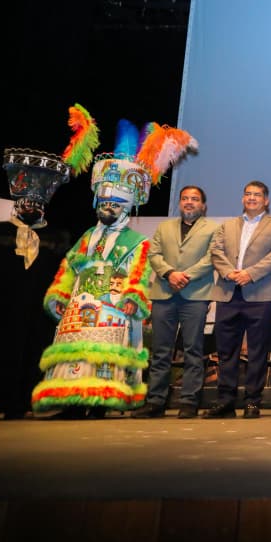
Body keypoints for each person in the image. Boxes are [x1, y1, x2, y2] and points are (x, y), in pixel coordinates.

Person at [33, 116, 197, 418]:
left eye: (115, 205)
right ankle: (71, 399)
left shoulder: (137, 241)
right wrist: (59, 293)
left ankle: (100, 401)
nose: (108, 208)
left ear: (126, 207)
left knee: (104, 357)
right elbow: (68, 267)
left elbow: (140, 273)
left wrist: (134, 296)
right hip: (80, 304)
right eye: (104, 204)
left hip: (114, 305)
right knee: (75, 353)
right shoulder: (86, 236)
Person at [0, 106, 87, 420]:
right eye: (26, 203)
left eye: (36, 203)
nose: (31, 208)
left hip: (35, 310)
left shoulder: (56, 237)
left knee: (29, 353)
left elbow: (64, 273)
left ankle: (19, 404)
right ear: (18, 204)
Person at [204, 180, 271, 419]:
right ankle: (225, 401)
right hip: (228, 292)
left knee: (257, 351)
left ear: (266, 200)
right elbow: (216, 252)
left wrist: (250, 274)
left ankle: (253, 401)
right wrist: (229, 273)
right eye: (248, 194)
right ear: (243, 198)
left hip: (260, 294)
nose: (252, 198)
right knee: (226, 351)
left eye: (257, 195)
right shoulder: (227, 225)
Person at [133, 185, 218, 419]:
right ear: (180, 203)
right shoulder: (164, 227)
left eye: (194, 199)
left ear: (203, 205)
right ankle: (155, 402)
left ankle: (189, 402)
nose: (189, 202)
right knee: (161, 351)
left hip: (196, 295)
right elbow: (154, 254)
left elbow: (211, 258)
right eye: (185, 198)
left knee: (193, 350)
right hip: (164, 293)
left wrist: (184, 276)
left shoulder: (213, 228)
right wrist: (170, 273)